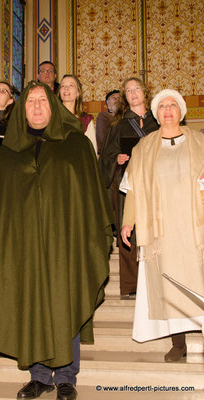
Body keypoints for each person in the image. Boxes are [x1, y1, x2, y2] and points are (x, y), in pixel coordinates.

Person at [0, 81, 113, 400]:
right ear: (22, 109)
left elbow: (90, 199)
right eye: (30, 102)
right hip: (23, 247)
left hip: (65, 245)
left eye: (43, 100)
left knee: (63, 302)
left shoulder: (76, 145)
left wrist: (87, 240)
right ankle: (39, 376)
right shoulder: (9, 152)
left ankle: (67, 377)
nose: (37, 106)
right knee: (31, 303)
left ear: (53, 106)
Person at [120, 89, 204, 362]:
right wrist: (128, 221)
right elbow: (132, 188)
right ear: (156, 113)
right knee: (169, 285)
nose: (168, 110)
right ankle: (178, 344)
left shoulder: (200, 142)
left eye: (173, 105)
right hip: (161, 228)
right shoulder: (143, 147)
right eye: (162, 106)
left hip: (195, 226)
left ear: (181, 111)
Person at [99, 77, 159, 297]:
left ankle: (157, 281)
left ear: (144, 92)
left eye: (136, 88)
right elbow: (105, 155)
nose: (133, 93)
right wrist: (117, 158)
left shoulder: (160, 121)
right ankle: (132, 285)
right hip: (127, 186)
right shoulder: (118, 124)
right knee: (128, 235)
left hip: (156, 186)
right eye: (128, 90)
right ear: (125, 96)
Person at [58, 74, 97, 154]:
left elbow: (92, 150)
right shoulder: (50, 117)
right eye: (62, 86)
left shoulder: (85, 119)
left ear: (78, 93)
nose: (66, 88)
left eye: (71, 85)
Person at [96, 89, 121, 154]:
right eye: (114, 98)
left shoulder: (128, 116)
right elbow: (102, 138)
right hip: (108, 153)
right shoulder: (103, 115)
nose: (117, 100)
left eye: (119, 98)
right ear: (107, 102)